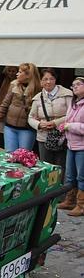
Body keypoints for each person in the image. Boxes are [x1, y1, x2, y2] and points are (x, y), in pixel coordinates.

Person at [0, 63, 41, 152]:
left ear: (28, 75)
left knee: (23, 155)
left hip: (26, 129)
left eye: (20, 72)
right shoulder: (14, 85)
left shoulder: (37, 89)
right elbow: (5, 104)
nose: (17, 74)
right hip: (10, 127)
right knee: (10, 154)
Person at [28, 68, 72, 171]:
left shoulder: (67, 94)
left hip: (62, 136)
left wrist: (55, 123)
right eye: (45, 79)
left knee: (61, 165)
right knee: (46, 166)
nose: (48, 82)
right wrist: (39, 124)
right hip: (44, 137)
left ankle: (60, 186)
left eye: (51, 78)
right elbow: (30, 117)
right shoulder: (37, 98)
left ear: (55, 80)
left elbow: (72, 115)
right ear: (41, 81)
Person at [56, 77, 84, 216]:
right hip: (71, 144)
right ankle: (70, 200)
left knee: (81, 176)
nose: (75, 87)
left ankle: (81, 205)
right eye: (73, 85)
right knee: (70, 175)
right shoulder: (74, 103)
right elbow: (68, 121)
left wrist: (69, 126)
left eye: (78, 84)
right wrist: (64, 126)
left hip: (82, 147)